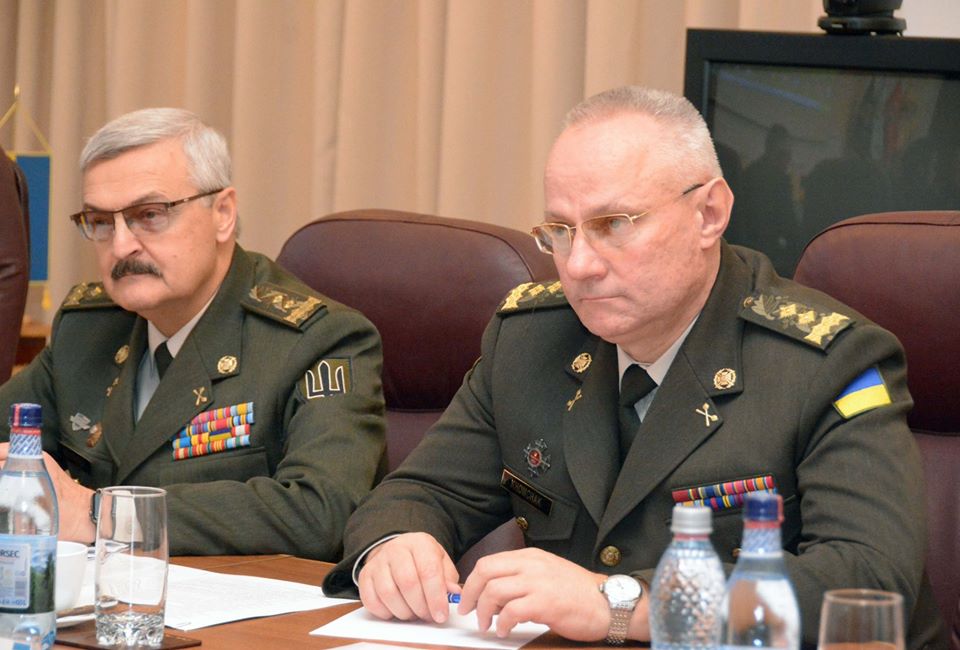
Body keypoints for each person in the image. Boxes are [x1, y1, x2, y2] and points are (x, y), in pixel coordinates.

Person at [323, 87, 945, 648]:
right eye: (560, 231)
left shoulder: (825, 362)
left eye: (613, 225)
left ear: (709, 214)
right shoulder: (530, 342)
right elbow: (419, 493)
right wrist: (397, 545)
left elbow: (867, 579)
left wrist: (622, 604)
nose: (580, 265)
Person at [0, 108, 386, 560]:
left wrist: (99, 513)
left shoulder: (317, 340)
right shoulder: (89, 328)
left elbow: (321, 510)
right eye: (101, 222)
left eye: (150, 214)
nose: (121, 246)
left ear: (223, 213)